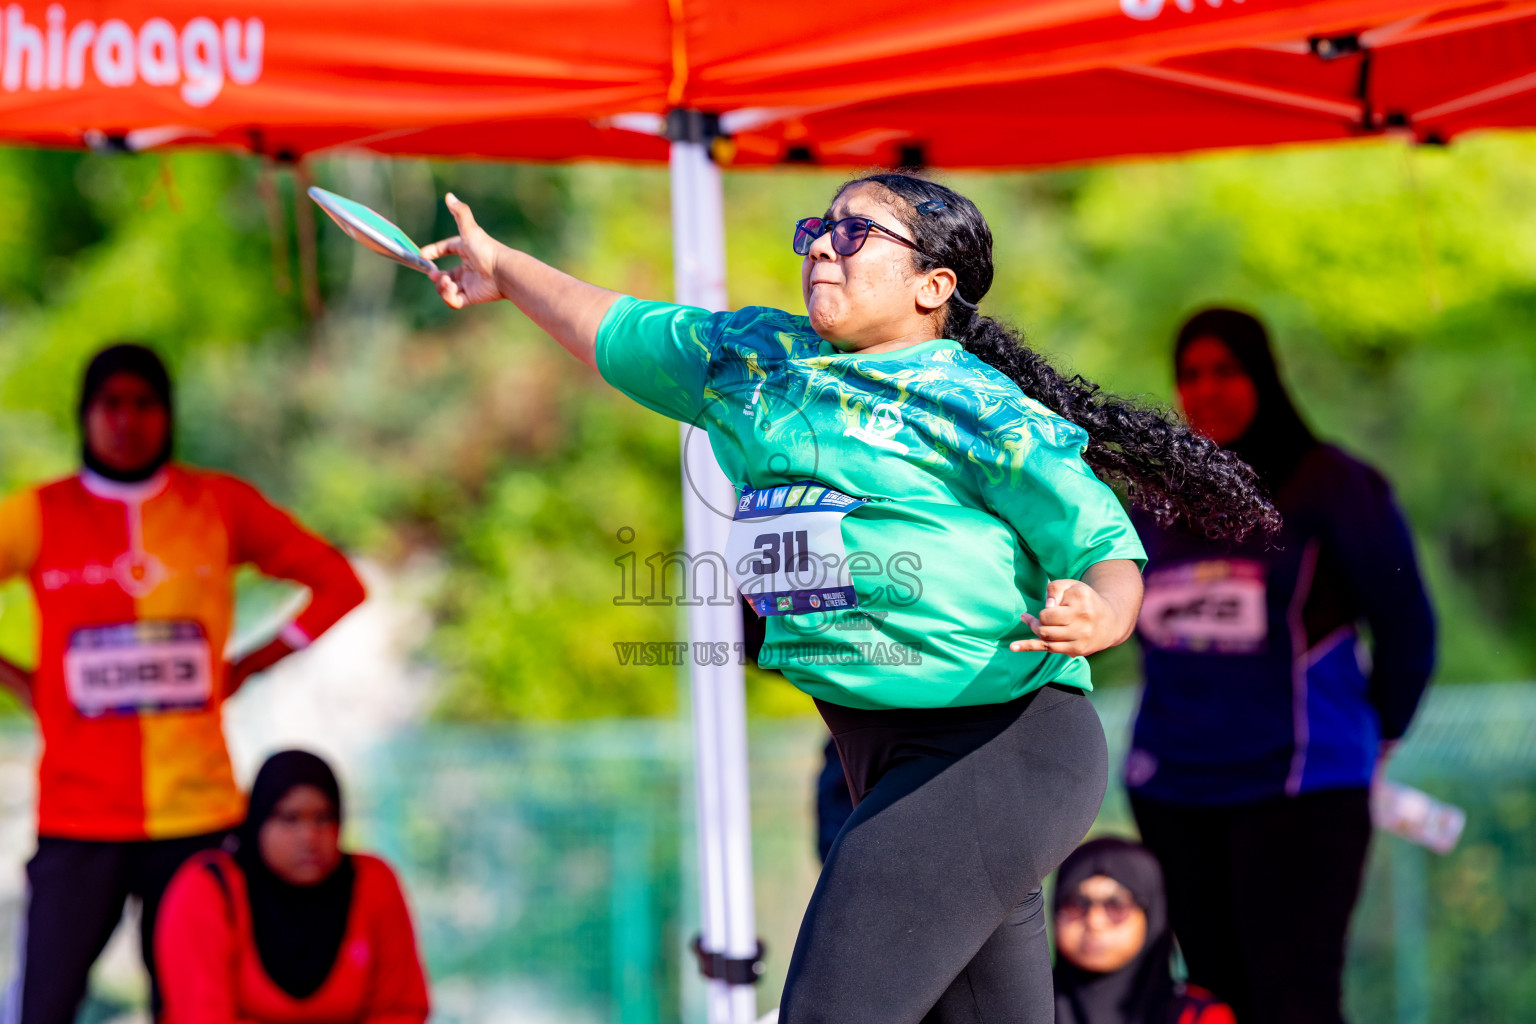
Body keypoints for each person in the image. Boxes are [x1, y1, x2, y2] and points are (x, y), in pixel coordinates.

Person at [420, 173, 1275, 1023]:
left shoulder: (979, 407)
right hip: (881, 755)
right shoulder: (754, 363)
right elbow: (611, 323)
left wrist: (1103, 613)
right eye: (818, 228)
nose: (824, 244)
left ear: (932, 287)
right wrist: (503, 267)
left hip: (1001, 746)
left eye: (858, 234)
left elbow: (1105, 548)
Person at [0, 345, 367, 1024]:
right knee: (42, 1008)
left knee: (197, 1011)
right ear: (86, 415)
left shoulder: (217, 505)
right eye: (111, 403)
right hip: (78, 817)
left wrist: (252, 664)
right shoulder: (37, 514)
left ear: (167, 415)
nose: (127, 419)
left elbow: (340, 585)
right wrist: (18, 678)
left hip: (197, 817)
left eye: (144, 403)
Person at [1126, 309, 1436, 1024]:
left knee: (1293, 1002)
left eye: (1226, 371)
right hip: (1173, 790)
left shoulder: (1330, 483)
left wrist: (1376, 741)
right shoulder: (1155, 500)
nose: (1207, 390)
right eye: (1191, 374)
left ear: (1263, 377)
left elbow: (1408, 628)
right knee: (1211, 1003)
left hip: (1301, 789)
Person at [156, 750, 429, 1024]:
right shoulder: (208, 890)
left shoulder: (371, 882)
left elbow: (401, 1009)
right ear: (258, 821)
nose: (309, 837)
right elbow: (199, 1017)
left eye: (323, 818)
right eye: (290, 818)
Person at [1053, 838, 1234, 1024]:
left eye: (1116, 906)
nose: (1094, 921)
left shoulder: (1198, 1015)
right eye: (1075, 903)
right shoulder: (1027, 1006)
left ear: (1152, 915)